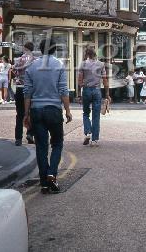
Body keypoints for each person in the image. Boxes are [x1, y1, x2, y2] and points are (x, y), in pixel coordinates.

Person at [24, 39, 73, 193]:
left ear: (40, 49)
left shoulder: (32, 66)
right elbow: (63, 90)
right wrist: (67, 110)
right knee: (57, 143)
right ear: (54, 49)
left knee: (41, 147)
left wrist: (26, 114)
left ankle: (44, 182)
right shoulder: (59, 65)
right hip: (54, 110)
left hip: (36, 110)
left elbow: (27, 92)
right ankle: (52, 173)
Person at [77, 48, 109, 147]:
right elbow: (105, 80)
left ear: (86, 54)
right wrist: (107, 94)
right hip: (97, 91)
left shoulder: (83, 64)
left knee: (86, 113)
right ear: (95, 54)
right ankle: (94, 140)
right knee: (96, 116)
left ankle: (87, 132)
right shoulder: (101, 64)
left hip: (86, 90)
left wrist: (79, 94)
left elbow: (80, 80)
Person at [13, 42, 37, 146]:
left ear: (24, 48)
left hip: (20, 88)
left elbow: (14, 71)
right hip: (31, 88)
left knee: (19, 114)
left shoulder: (19, 60)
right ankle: (30, 134)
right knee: (32, 112)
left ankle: (18, 138)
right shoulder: (35, 60)